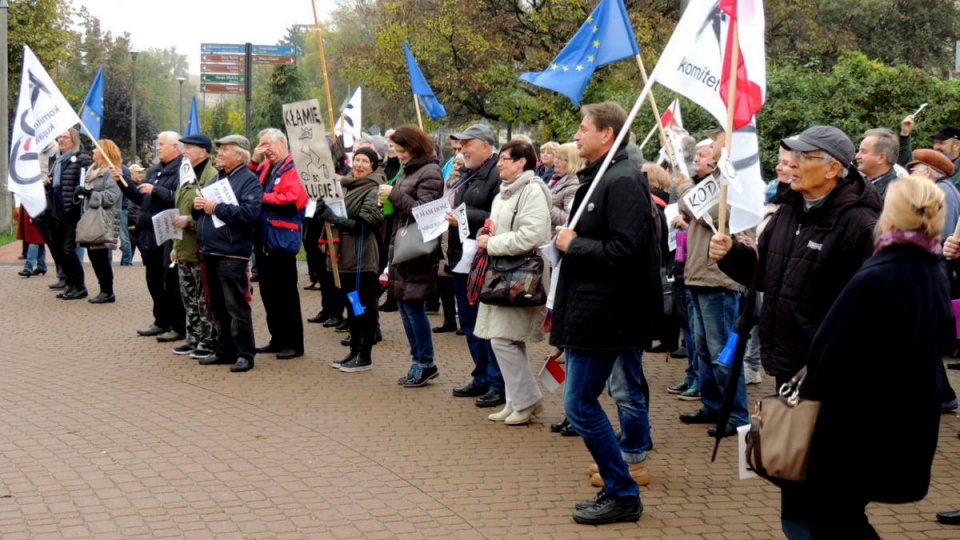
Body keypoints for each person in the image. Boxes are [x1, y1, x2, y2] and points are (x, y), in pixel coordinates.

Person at [711, 125, 882, 538]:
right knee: (792, 479)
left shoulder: (861, 223)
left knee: (832, 499)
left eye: (804, 158)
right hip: (788, 370)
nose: (792, 166)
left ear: (832, 169)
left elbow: (870, 310)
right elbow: (766, 273)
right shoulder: (788, 211)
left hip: (834, 381)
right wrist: (733, 256)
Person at [798, 175, 951, 537]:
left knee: (833, 513)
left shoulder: (878, 274)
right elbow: (943, 335)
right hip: (906, 413)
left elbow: (827, 350)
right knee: (843, 510)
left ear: (891, 215)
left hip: (858, 418)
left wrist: (804, 403)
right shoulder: (933, 269)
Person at [552, 101, 655, 525]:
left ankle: (623, 493)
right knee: (580, 402)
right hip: (586, 310)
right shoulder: (598, 179)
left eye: (583, 128)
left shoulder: (624, 180)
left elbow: (627, 251)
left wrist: (573, 245)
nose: (576, 135)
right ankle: (620, 489)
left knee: (579, 405)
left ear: (607, 134)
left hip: (606, 314)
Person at [676, 134, 752, 439]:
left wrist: (683, 188)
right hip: (698, 274)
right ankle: (712, 404)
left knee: (722, 352)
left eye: (705, 153)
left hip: (717, 279)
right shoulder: (711, 182)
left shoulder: (731, 182)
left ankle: (737, 413)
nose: (699, 159)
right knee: (703, 349)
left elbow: (710, 214)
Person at [474, 140, 552, 425]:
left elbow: (533, 235)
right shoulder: (504, 193)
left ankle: (527, 400)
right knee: (505, 339)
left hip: (520, 276)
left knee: (504, 339)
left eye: (505, 159)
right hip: (503, 274)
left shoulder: (532, 192)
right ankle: (516, 400)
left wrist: (492, 243)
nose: (500, 164)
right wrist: (489, 232)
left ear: (522, 162)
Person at [446, 123, 506, 408]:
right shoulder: (468, 174)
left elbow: (497, 215)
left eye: (467, 144)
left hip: (484, 259)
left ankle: (498, 382)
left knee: (486, 324)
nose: (462, 149)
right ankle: (481, 375)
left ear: (485, 145)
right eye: (461, 144)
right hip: (463, 258)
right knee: (469, 323)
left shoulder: (497, 174)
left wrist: (464, 217)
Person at [380, 125, 444, 388]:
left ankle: (425, 361)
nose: (399, 155)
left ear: (414, 147)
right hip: (402, 245)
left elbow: (424, 212)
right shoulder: (411, 169)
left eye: (401, 150)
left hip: (417, 249)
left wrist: (393, 194)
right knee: (405, 308)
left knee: (414, 308)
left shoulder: (430, 171)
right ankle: (418, 360)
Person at [194, 135, 263, 373]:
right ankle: (224, 350)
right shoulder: (219, 178)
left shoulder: (249, 181)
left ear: (240, 155)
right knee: (218, 306)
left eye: (225, 150)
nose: (219, 154)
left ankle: (245, 354)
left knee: (236, 306)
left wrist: (216, 208)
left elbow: (249, 214)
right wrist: (199, 208)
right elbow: (209, 213)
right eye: (219, 150)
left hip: (232, 253)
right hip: (211, 250)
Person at [322, 146, 385, 372]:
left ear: (373, 166)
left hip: (361, 258)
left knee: (363, 308)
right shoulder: (346, 186)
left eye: (365, 162)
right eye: (357, 160)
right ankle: (353, 351)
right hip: (343, 258)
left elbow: (365, 224)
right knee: (351, 306)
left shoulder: (375, 189)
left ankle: (365, 356)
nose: (359, 165)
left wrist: (335, 219)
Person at [121, 131, 186, 343]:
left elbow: (179, 198)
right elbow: (141, 197)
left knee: (171, 281)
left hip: (169, 233)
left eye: (161, 144)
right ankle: (161, 321)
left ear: (175, 147)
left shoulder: (183, 170)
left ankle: (177, 325)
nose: (158, 148)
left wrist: (156, 190)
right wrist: (123, 183)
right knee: (153, 280)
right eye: (157, 144)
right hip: (149, 232)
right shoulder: (156, 169)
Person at [250, 128, 309, 360]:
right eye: (261, 146)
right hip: (263, 238)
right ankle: (277, 338)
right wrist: (254, 162)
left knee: (286, 294)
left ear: (282, 142)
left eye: (267, 145)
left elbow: (293, 199)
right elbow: (248, 184)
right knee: (268, 293)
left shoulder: (296, 166)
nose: (265, 150)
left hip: (282, 239)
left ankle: (294, 343)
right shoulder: (265, 165)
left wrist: (260, 198)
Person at [170, 134, 218, 359]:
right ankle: (193, 338)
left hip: (201, 245)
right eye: (185, 147)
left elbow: (211, 213)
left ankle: (207, 341)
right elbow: (180, 207)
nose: (185, 151)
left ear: (204, 151)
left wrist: (188, 221)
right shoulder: (186, 174)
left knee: (202, 298)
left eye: (190, 147)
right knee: (188, 297)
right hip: (184, 247)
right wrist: (175, 245)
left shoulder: (212, 176)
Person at [43, 128, 92, 299]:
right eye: (60, 137)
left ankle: (80, 286)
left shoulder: (81, 159)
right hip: (57, 212)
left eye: (65, 137)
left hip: (73, 212)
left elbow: (87, 181)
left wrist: (79, 196)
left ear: (74, 140)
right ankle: (71, 285)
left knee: (68, 250)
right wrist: (47, 183)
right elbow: (57, 185)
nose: (61, 139)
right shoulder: (56, 160)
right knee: (59, 250)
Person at [78, 139, 123, 304]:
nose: (93, 152)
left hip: (106, 219)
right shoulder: (93, 171)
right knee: (94, 254)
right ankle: (104, 289)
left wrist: (90, 194)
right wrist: (81, 194)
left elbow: (112, 196)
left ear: (105, 152)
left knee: (101, 256)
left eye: (96, 149)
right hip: (93, 218)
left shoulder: (112, 172)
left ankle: (107, 291)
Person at [906, 149, 960, 241]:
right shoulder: (946, 188)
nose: (911, 176)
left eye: (913, 171)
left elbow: (940, 237)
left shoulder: (937, 193)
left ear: (927, 172)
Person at [856, 128, 899, 199]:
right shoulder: (856, 185)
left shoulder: (896, 193)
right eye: (859, 151)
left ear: (881, 158)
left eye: (863, 151)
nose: (857, 156)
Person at [548, 142, 582, 227]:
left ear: (572, 162)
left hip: (554, 237)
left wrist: (545, 204)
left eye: (560, 159)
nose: (555, 161)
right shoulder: (556, 178)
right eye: (556, 157)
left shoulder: (574, 186)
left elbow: (567, 220)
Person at [16, 202, 47, 278]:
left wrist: (34, 215)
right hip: (32, 211)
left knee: (34, 240)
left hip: (35, 212)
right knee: (39, 241)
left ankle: (29, 267)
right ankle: (41, 266)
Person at [123, 164, 145, 265]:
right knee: (129, 250)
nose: (141, 174)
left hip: (140, 225)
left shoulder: (141, 186)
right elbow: (130, 206)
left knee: (144, 252)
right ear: (132, 173)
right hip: (134, 225)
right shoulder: (130, 188)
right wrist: (132, 222)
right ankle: (125, 268)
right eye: (138, 172)